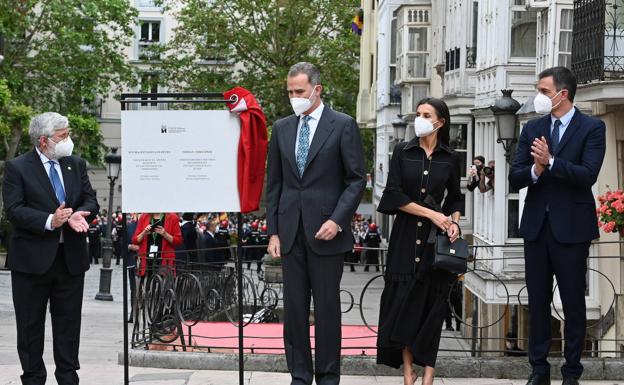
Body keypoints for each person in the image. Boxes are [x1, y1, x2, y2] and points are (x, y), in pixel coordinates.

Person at [266, 62, 366, 385]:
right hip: (291, 234)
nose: (294, 97)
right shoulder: (281, 128)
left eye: (300, 91)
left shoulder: (343, 125)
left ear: (317, 90)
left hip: (326, 234)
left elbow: (355, 181)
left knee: (326, 310)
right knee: (294, 310)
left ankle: (327, 376)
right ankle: (299, 374)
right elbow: (275, 184)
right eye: (290, 91)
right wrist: (273, 231)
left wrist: (337, 221)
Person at [509, 66, 606, 385]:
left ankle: (572, 372)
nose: (538, 97)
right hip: (537, 228)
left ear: (562, 94)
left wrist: (551, 162)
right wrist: (536, 170)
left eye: (544, 91)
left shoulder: (592, 128)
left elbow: (587, 174)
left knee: (573, 302)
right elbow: (516, 175)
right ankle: (538, 370)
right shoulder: (533, 127)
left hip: (572, 229)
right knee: (537, 302)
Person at [2, 112, 99, 385]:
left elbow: (91, 199)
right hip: (31, 262)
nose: (68, 141)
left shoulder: (75, 164)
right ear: (44, 141)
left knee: (68, 325)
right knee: (30, 326)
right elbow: (14, 210)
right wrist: (49, 220)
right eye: (63, 136)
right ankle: (33, 377)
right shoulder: (17, 167)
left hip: (70, 259)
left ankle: (68, 376)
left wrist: (80, 213)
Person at [376, 98, 464, 385]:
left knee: (431, 305)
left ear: (440, 121)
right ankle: (407, 370)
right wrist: (432, 214)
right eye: (418, 114)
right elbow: (393, 195)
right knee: (403, 303)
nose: (420, 119)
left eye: (427, 114)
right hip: (404, 238)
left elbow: (454, 198)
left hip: (433, 242)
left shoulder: (450, 157)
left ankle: (429, 371)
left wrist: (454, 223)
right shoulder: (402, 151)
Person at [132, 213, 183, 278]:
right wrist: (143, 233)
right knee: (147, 286)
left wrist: (165, 234)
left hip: (165, 261)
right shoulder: (144, 217)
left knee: (163, 286)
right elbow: (135, 240)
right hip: (146, 261)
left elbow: (178, 241)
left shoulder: (173, 217)